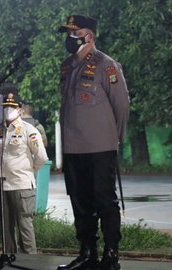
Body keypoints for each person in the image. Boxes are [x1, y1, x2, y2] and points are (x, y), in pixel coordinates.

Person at [57, 15, 129, 270]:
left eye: (74, 33)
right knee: (80, 201)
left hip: (100, 146)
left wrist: (114, 138)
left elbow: (121, 105)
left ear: (90, 36)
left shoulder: (106, 65)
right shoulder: (66, 67)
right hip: (72, 147)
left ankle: (111, 255)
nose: (69, 38)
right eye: (68, 33)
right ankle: (87, 253)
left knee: (104, 201)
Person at [0, 93, 48, 258]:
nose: (8, 110)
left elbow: (41, 157)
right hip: (3, 186)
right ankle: (9, 260)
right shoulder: (0, 131)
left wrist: (30, 171)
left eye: (12, 107)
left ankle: (30, 261)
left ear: (20, 110)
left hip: (22, 186)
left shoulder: (29, 130)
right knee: (6, 229)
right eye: (6, 106)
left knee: (25, 227)